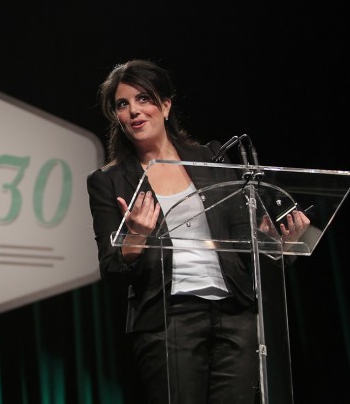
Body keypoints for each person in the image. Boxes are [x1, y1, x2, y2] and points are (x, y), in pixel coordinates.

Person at [86, 59, 309, 403]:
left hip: (235, 315)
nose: (134, 111)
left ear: (165, 104)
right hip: (168, 321)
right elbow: (111, 269)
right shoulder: (108, 181)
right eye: (123, 104)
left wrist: (275, 244)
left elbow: (242, 249)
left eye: (144, 99)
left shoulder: (210, 161)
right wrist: (137, 236)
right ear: (116, 115)